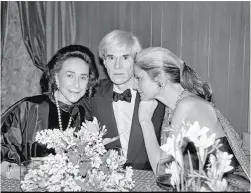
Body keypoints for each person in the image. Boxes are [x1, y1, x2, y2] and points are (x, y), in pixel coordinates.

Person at [133, 47, 250, 181]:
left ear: (159, 77)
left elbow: (163, 172)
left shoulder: (186, 106)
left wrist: (145, 121)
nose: (135, 86)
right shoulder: (175, 106)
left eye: (139, 78)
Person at [1, 45, 99, 167]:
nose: (77, 84)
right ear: (56, 77)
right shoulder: (29, 108)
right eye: (70, 75)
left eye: (83, 77)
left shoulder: (85, 116)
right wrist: (23, 170)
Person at [90, 30, 165, 170]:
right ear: (104, 61)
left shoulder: (156, 95)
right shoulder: (92, 94)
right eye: (111, 58)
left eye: (125, 58)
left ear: (136, 61)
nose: (117, 66)